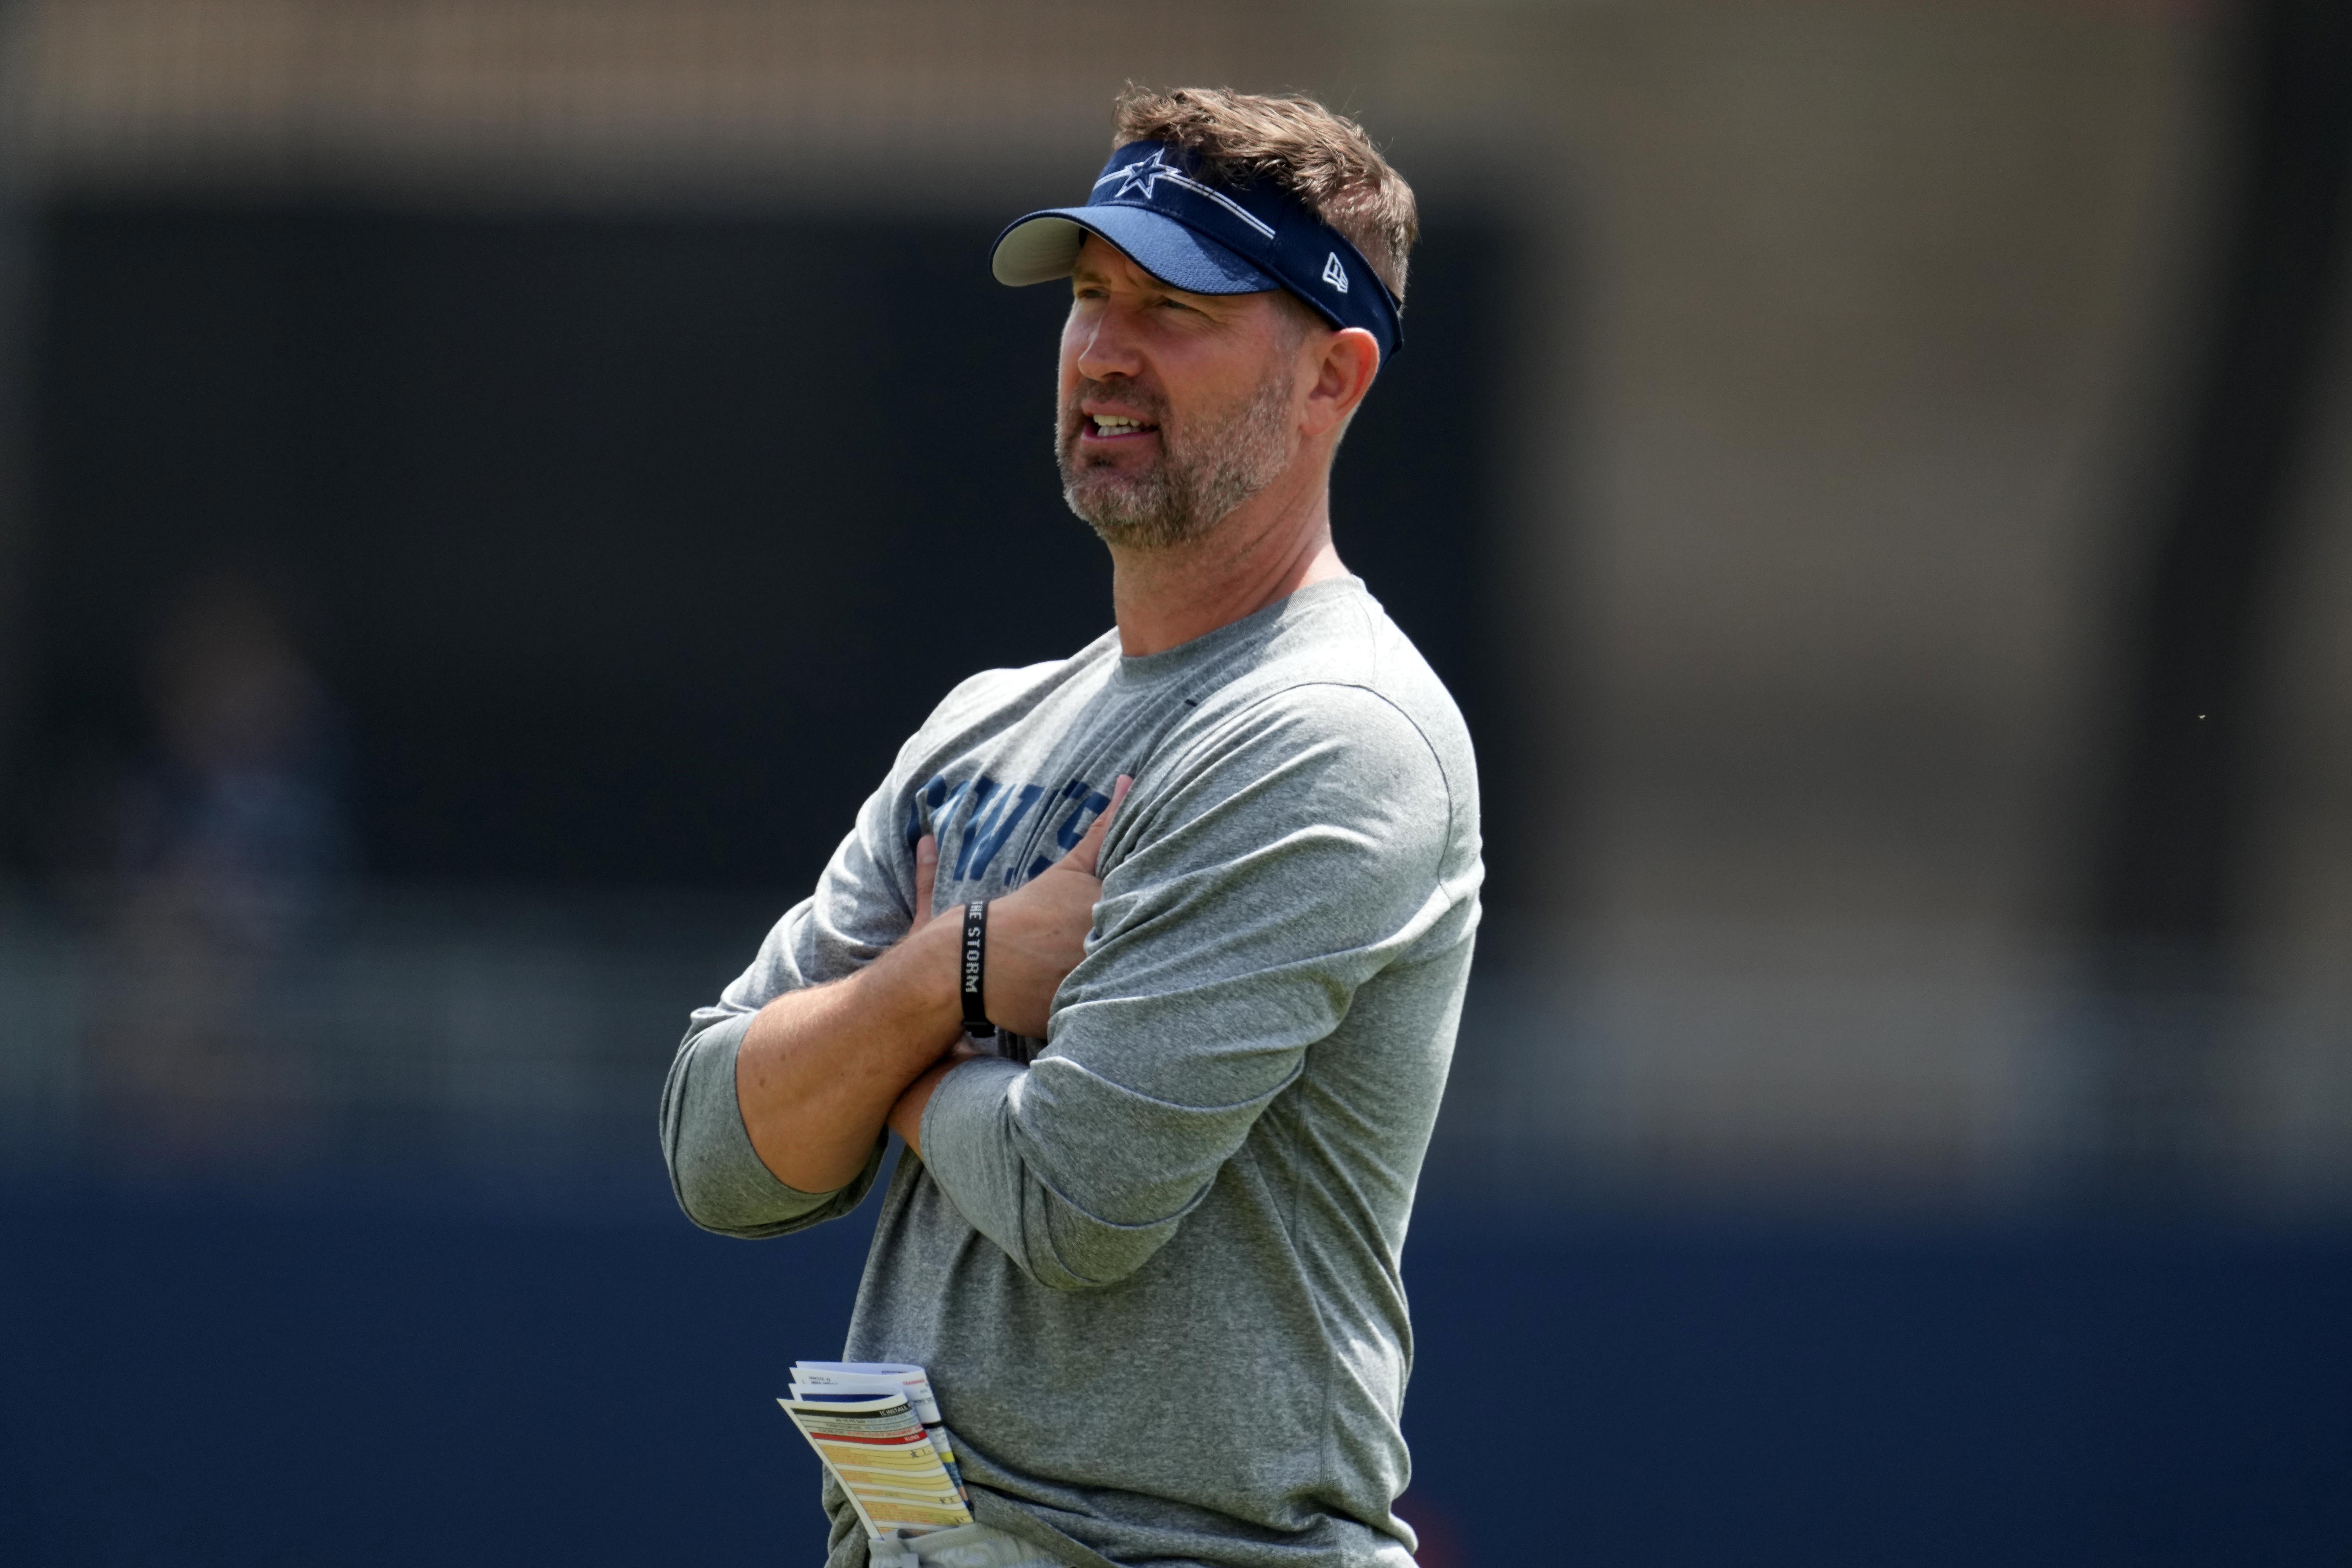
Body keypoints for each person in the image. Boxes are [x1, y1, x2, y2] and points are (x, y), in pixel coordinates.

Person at [661, 86, 1482, 1568]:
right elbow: (716, 1140)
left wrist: (889, 1047)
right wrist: (952, 975)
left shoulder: (1334, 730)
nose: (1104, 347)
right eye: (1093, 296)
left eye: (1175, 306)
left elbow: (1073, 1197)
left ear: (1333, 379)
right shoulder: (985, 722)